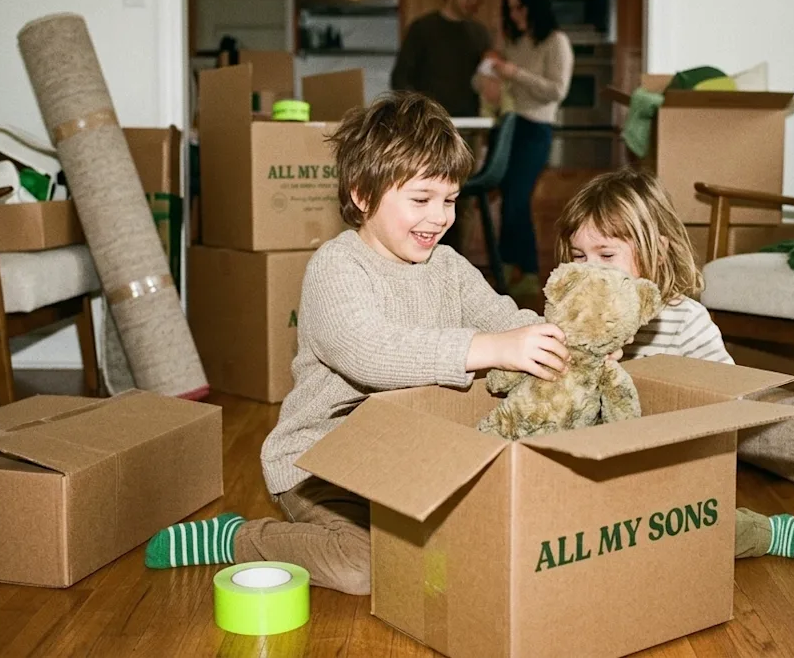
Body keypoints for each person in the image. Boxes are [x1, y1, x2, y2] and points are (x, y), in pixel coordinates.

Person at [140, 92, 573, 594]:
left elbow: (505, 317)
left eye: (450, 200)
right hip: (319, 461)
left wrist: (563, 340)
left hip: (406, 460)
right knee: (360, 568)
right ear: (363, 195)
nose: (440, 217)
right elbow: (371, 353)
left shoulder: (450, 268)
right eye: (420, 199)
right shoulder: (336, 267)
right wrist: (493, 349)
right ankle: (237, 539)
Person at [555, 167, 794, 568]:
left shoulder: (684, 319)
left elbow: (727, 396)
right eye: (579, 258)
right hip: (593, 471)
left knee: (689, 532)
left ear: (656, 250)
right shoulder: (571, 320)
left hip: (668, 472)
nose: (590, 270)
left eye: (606, 255)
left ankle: (770, 532)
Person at [476, 0, 574, 297]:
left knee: (517, 198)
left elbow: (557, 91)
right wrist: (488, 69)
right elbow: (485, 78)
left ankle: (530, 271)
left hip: (536, 130)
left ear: (535, 6)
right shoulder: (514, 43)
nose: (515, 14)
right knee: (506, 199)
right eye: (510, 9)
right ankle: (506, 268)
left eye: (520, 7)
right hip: (510, 127)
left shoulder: (556, 42)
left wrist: (513, 72)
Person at [389, 0, 491, 118]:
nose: (473, 1)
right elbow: (400, 79)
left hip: (469, 125)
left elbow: (485, 80)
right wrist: (418, 114)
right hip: (430, 125)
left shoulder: (480, 33)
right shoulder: (423, 28)